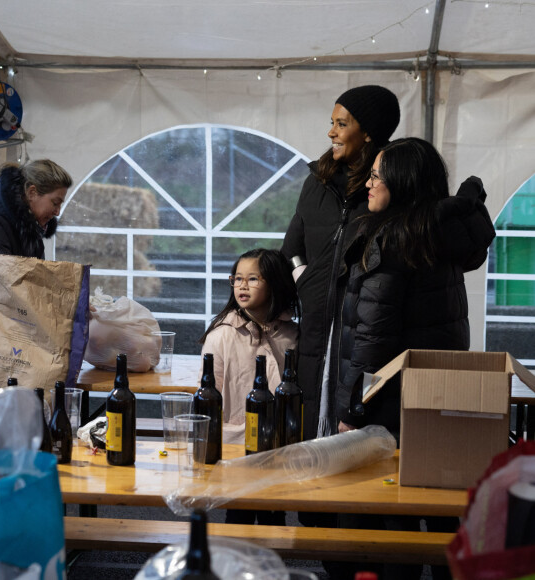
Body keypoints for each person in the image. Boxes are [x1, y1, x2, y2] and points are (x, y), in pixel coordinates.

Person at [333, 137, 495, 580]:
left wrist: (352, 409)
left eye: (377, 175)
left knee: (385, 515)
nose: (368, 183)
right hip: (436, 393)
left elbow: (373, 334)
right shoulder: (437, 236)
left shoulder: (394, 237)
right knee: (441, 509)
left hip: (387, 401)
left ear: (401, 182)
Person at [281, 84, 401, 442]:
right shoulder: (316, 181)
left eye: (342, 123)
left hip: (361, 333)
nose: (331, 132)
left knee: (351, 435)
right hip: (315, 324)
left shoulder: (385, 189)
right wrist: (304, 276)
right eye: (332, 122)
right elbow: (291, 246)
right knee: (307, 430)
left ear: (368, 133)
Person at [199, 248, 299, 526]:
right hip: (236, 439)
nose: (243, 285)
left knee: (273, 509)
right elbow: (208, 392)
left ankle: (272, 567)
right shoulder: (221, 334)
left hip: (278, 440)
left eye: (253, 279)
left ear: (275, 283)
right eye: (238, 278)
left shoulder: (292, 334)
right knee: (239, 512)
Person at [0, 159, 72, 380]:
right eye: (55, 202)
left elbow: (37, 280)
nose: (57, 212)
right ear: (32, 192)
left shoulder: (28, 229)